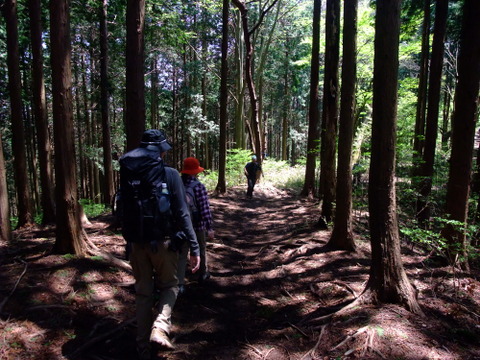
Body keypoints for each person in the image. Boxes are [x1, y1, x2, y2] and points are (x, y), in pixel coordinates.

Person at [119, 129, 200, 359]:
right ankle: (161, 326)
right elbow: (183, 213)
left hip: (136, 242)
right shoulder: (171, 174)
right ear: (160, 152)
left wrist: (128, 243)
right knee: (171, 286)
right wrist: (195, 248)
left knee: (143, 294)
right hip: (164, 241)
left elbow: (125, 209)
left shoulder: (127, 173)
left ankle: (142, 348)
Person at [177, 157, 214, 294]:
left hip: (182, 225)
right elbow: (205, 209)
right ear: (195, 171)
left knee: (182, 254)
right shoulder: (199, 187)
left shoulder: (178, 184)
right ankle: (203, 274)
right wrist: (209, 228)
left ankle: (180, 284)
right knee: (201, 248)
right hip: (197, 225)